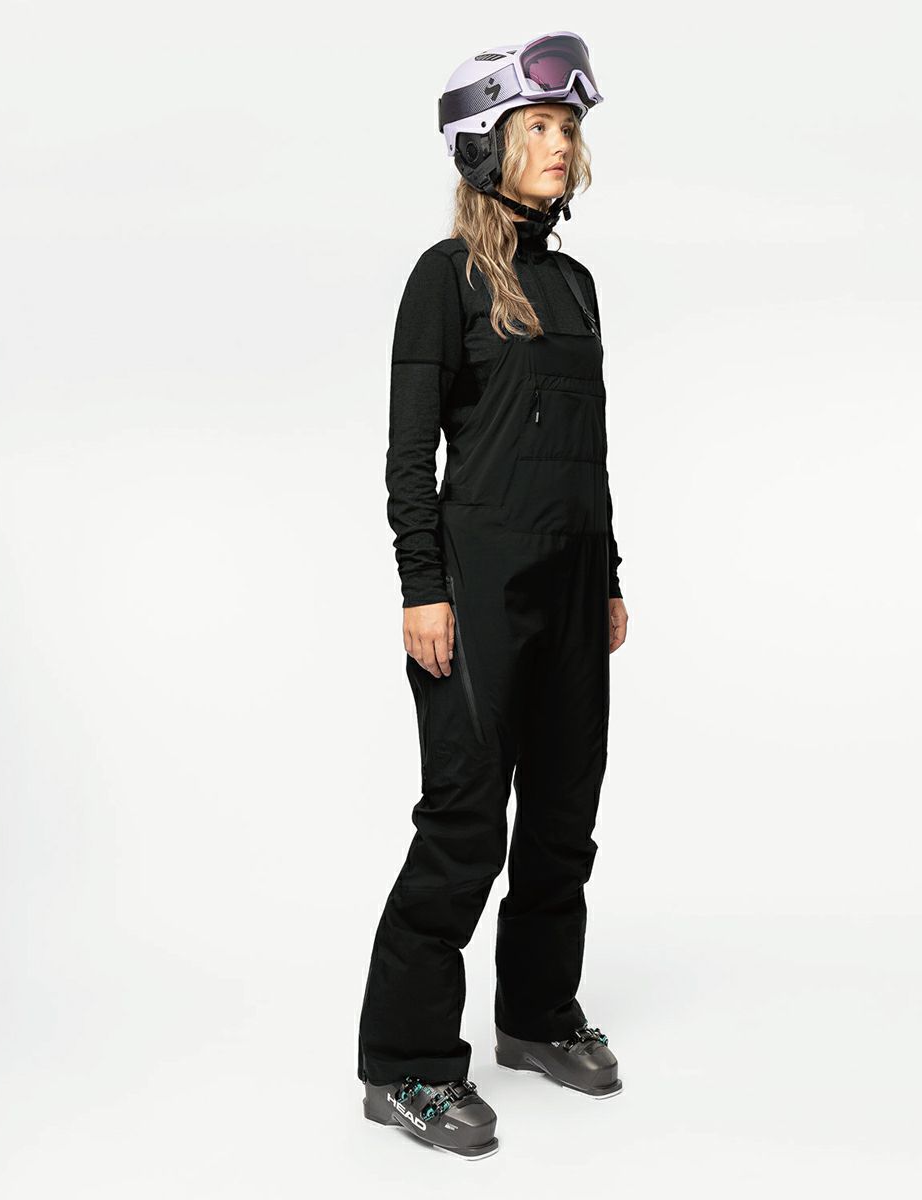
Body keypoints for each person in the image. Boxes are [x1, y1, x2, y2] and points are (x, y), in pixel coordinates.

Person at [356, 32, 628, 1160]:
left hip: (572, 586)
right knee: (467, 824)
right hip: (474, 588)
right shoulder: (446, 278)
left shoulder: (574, 284)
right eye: (539, 127)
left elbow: (587, 449)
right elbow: (407, 453)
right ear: (485, 146)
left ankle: (536, 1017)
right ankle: (407, 1068)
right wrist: (422, 587)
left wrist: (609, 577)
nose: (561, 145)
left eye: (568, 128)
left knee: (564, 815)